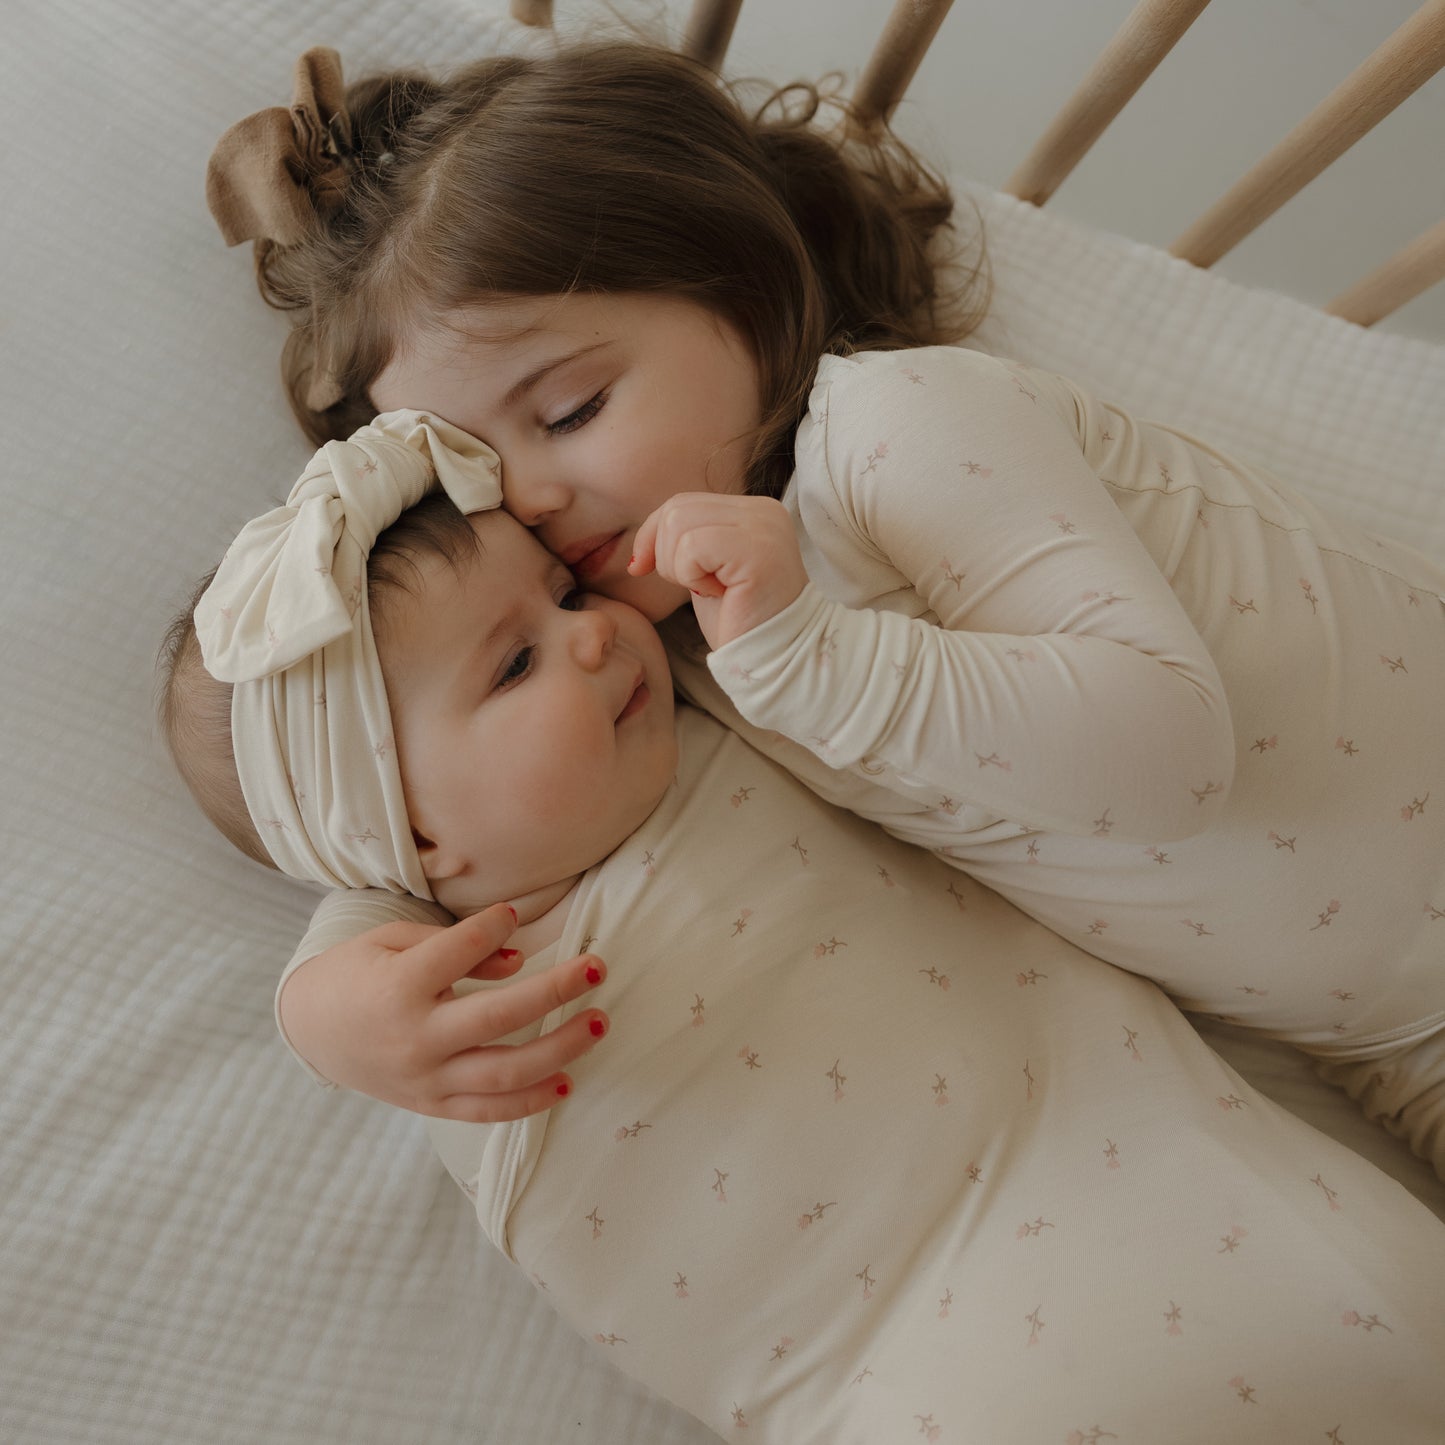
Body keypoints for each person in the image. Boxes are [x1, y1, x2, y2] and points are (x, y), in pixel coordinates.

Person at [205, 40, 1445, 1172]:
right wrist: (328, 1001)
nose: (527, 497)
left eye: (571, 410)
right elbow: (430, 792)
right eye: (472, 469)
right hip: (1384, 1044)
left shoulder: (899, 430)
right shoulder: (661, 641)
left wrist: (814, 658)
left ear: (736, 287)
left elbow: (1171, 758)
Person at [159, 412, 1445, 1443]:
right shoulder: (410, 936)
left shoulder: (716, 704)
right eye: (513, 664)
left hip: (1140, 1158)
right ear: (407, 831)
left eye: (560, 596)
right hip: (905, 1364)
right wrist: (341, 1029)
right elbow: (325, 994)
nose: (593, 638)